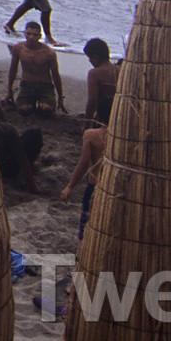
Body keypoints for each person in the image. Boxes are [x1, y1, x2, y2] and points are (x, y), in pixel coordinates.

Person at [59, 96, 113, 240]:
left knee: (87, 229)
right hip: (115, 190)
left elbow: (83, 164)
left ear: (99, 115)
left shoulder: (91, 135)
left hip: (95, 187)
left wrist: (70, 187)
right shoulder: (126, 139)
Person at [0, 93, 45, 193]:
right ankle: (22, 175)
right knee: (35, 133)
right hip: (5, 169)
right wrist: (33, 186)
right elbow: (21, 157)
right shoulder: (5, 129)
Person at [7, 22, 63, 115]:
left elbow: (55, 75)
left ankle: (45, 102)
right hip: (26, 85)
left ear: (39, 36)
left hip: (45, 86)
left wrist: (60, 97)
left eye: (35, 35)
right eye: (28, 34)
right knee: (24, 110)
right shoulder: (18, 48)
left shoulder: (49, 53)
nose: (31, 37)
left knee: (46, 111)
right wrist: (9, 90)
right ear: (24, 33)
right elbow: (13, 70)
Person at [82, 38, 118, 119]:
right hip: (118, 112)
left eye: (90, 58)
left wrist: (87, 122)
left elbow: (92, 101)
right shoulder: (119, 70)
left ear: (95, 57)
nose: (89, 61)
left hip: (104, 115)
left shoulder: (94, 73)